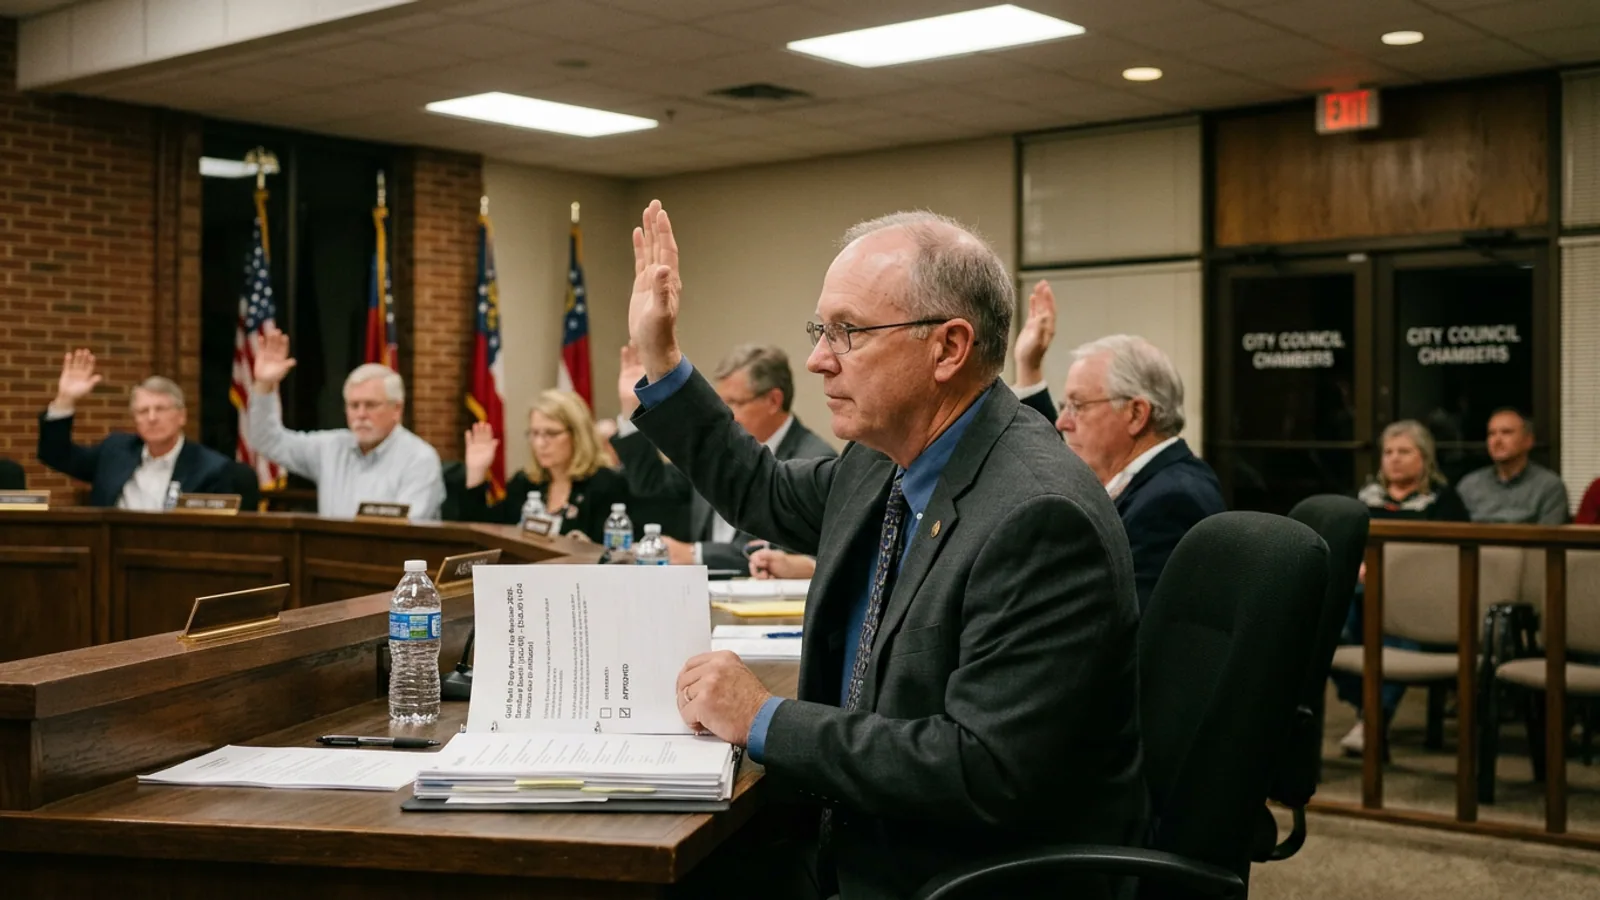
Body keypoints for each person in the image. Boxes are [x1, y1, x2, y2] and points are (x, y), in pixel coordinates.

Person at [625, 200, 1144, 899]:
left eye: (848, 332)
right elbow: (761, 489)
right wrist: (661, 358)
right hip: (857, 826)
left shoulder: (1039, 515)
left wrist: (763, 717)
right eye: (820, 331)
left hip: (947, 871)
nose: (818, 359)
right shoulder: (883, 461)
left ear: (948, 348)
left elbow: (982, 768)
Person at [1011, 281, 1225, 610]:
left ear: (1136, 414)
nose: (1063, 422)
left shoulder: (1170, 503)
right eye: (1064, 407)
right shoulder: (1157, 479)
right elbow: (1056, 461)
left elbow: (1126, 627)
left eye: (1077, 406)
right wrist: (1029, 367)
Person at [613, 342, 835, 571]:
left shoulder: (813, 460)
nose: (724, 413)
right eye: (721, 403)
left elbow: (786, 551)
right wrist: (632, 407)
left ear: (773, 401)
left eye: (734, 403)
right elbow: (651, 486)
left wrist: (695, 553)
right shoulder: (718, 449)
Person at [1334, 420, 1471, 755]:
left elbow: (1452, 559)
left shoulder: (1444, 502)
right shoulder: (1363, 500)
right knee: (1330, 622)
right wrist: (1356, 565)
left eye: (1404, 452)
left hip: (1421, 599)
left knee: (1395, 614)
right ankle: (1370, 710)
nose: (1394, 459)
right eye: (1388, 452)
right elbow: (1346, 545)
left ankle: (1372, 718)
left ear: (1424, 458)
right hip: (1361, 593)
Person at [248, 323, 444, 521]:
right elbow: (267, 440)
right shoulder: (331, 448)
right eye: (354, 405)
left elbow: (408, 528)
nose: (361, 414)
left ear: (397, 409)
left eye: (371, 405)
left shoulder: (419, 459)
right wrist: (265, 385)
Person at [37, 349, 236, 509]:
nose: (152, 418)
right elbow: (55, 454)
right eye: (143, 411)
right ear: (135, 419)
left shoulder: (210, 469)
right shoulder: (115, 452)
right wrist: (65, 400)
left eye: (160, 409)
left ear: (181, 416)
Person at [459, 388, 628, 543]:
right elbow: (482, 534)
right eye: (534, 433)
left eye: (551, 433)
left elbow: (615, 549)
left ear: (577, 435)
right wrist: (476, 473)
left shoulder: (607, 484)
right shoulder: (526, 483)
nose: (540, 443)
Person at [1456, 408, 1569, 525]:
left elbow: (1549, 534)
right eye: (1491, 434)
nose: (1497, 440)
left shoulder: (1549, 487)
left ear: (1528, 441)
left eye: (1506, 432)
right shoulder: (1469, 485)